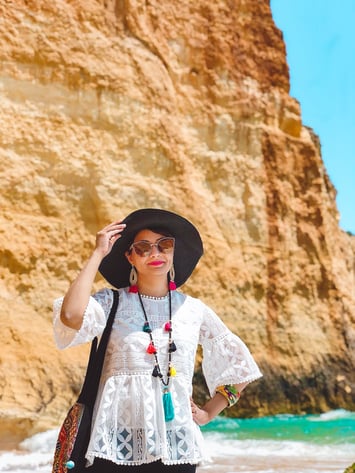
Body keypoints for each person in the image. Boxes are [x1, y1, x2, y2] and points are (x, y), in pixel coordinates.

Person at [53, 208, 262, 473]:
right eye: (143, 247)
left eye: (164, 245)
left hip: (176, 446)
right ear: (129, 256)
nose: (155, 253)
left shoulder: (193, 310)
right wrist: (98, 254)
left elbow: (241, 367)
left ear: (174, 252)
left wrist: (209, 412)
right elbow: (71, 315)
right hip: (114, 443)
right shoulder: (111, 303)